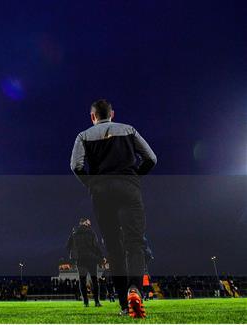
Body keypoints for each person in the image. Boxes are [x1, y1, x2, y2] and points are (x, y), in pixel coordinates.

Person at [70, 99, 157, 318]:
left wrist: (91, 184)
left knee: (114, 248)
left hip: (102, 193)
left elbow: (75, 166)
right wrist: (135, 177)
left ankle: (123, 305)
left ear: (92, 117)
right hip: (128, 188)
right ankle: (135, 289)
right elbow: (151, 158)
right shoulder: (128, 130)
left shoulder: (83, 136)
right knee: (134, 242)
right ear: (112, 114)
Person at [66, 217, 104, 307]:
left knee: (82, 281)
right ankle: (96, 302)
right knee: (94, 280)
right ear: (85, 222)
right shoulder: (91, 232)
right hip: (91, 258)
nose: (90, 224)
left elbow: (68, 246)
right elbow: (96, 246)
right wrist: (101, 257)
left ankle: (86, 302)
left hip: (80, 259)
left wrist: (74, 255)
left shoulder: (74, 233)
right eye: (89, 222)